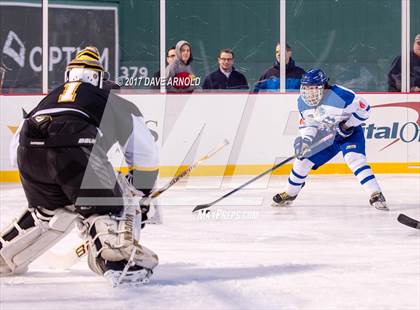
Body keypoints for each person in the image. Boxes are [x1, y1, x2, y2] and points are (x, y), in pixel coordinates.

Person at [0, 46, 160, 286]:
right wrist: (142, 191)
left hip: (29, 155)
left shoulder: (47, 100)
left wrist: (59, 183)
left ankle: (4, 255)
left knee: (48, 213)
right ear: (98, 78)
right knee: (111, 204)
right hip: (76, 148)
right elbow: (145, 153)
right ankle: (117, 261)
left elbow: (15, 150)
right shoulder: (112, 100)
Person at [272, 68, 388, 211]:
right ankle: (290, 193)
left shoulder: (341, 95)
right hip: (326, 136)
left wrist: (346, 125)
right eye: (306, 88)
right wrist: (306, 141)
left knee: (355, 159)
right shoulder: (302, 102)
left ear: (324, 86)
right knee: (302, 160)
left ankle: (376, 194)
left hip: (349, 134)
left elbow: (366, 110)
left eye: (313, 88)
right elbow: (310, 124)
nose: (309, 92)